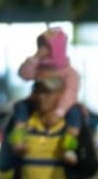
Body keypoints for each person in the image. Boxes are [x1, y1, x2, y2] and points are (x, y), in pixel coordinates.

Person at [12, 28, 84, 165]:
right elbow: (24, 74)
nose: (42, 96)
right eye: (41, 45)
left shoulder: (69, 71)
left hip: (64, 106)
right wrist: (36, 56)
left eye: (47, 46)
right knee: (20, 107)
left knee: (75, 114)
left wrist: (59, 111)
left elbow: (70, 93)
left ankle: (69, 148)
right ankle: (18, 140)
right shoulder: (38, 67)